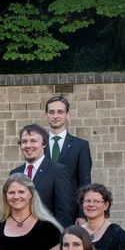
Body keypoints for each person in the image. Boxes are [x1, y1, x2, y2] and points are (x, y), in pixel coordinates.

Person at [9, 124, 74, 229]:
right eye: (24, 141)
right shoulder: (14, 173)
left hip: (47, 234)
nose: (28, 145)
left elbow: (64, 212)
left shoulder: (58, 171)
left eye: (33, 141)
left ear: (44, 143)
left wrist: (59, 236)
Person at [45, 95, 92, 224]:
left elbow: (85, 182)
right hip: (41, 212)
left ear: (68, 115)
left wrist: (82, 214)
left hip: (69, 212)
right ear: (46, 115)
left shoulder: (80, 146)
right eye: (51, 112)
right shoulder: (38, 145)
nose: (55, 116)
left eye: (60, 112)